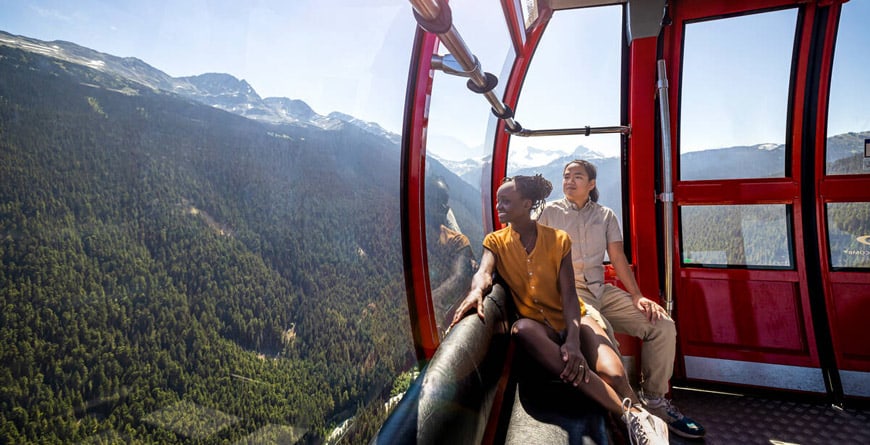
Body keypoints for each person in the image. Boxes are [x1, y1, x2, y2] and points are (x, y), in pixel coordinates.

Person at [450, 174, 668, 445]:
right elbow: (484, 273)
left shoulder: (558, 240)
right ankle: (635, 420)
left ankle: (637, 419)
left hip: (575, 319)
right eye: (497, 201)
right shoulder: (494, 242)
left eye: (506, 201)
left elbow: (569, 296)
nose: (499, 207)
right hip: (540, 329)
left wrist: (574, 342)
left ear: (527, 203)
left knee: (613, 374)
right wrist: (475, 292)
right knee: (522, 330)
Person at [537, 159, 706, 439]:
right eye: (566, 176)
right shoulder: (549, 213)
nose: (569, 181)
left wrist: (638, 296)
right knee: (603, 332)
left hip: (601, 290)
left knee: (661, 324)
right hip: (571, 294)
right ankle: (628, 410)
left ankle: (654, 400)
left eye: (577, 176)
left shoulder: (605, 215)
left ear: (591, 184)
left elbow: (617, 257)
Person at [426, 176, 476, 336]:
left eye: (441, 203)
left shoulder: (457, 242)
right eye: (431, 201)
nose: (438, 208)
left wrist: (434, 298)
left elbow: (459, 278)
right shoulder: (413, 229)